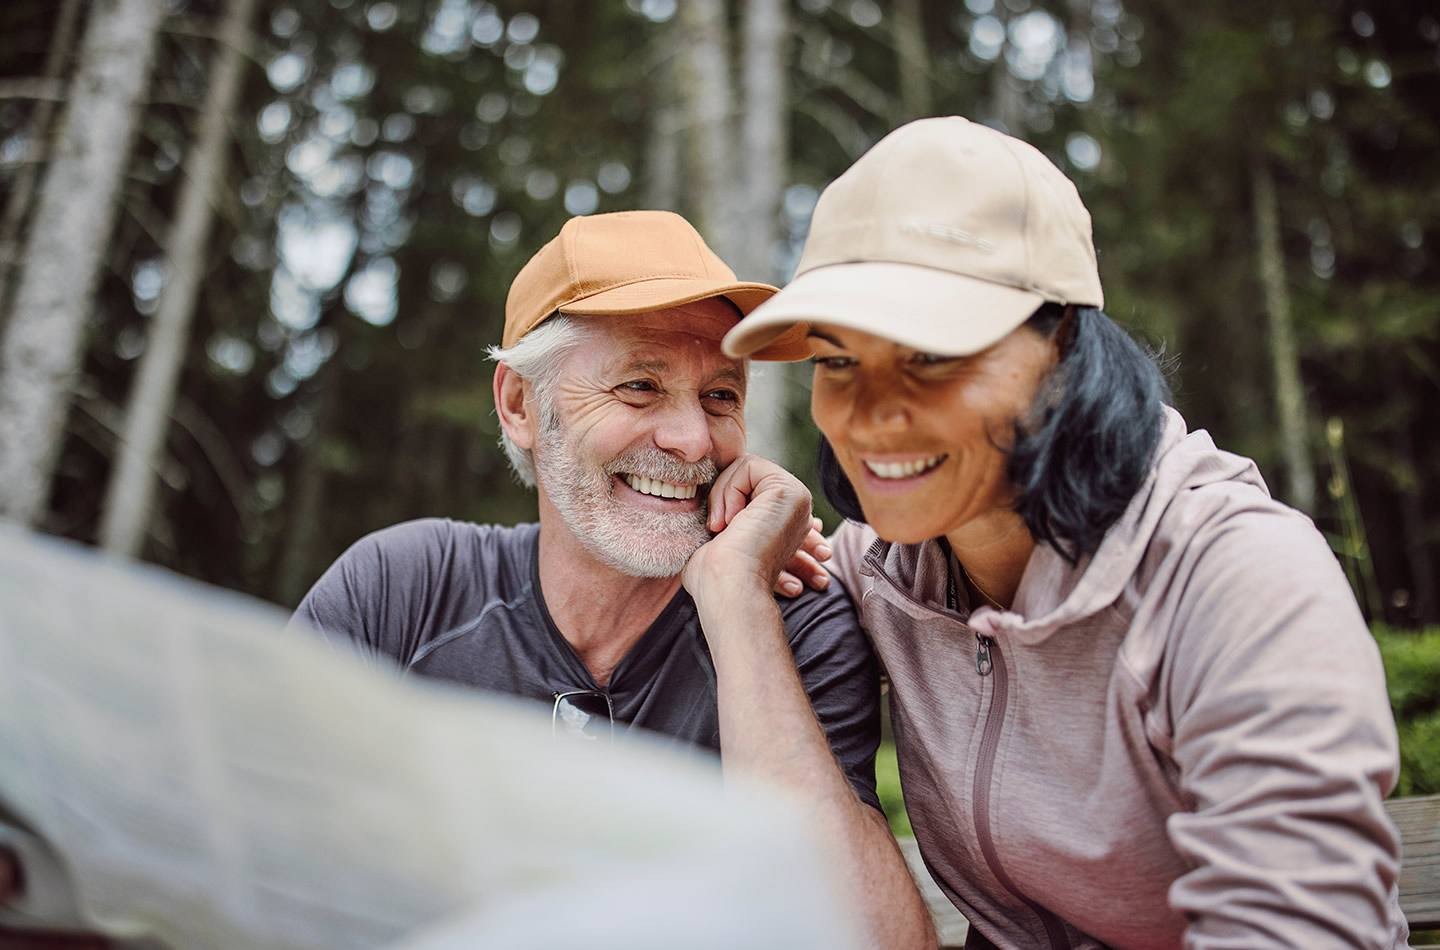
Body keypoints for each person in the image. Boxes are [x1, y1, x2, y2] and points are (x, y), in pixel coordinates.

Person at [715, 116, 1408, 948]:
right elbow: (788, 870)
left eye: (931, 354)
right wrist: (735, 587)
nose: (869, 417)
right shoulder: (877, 574)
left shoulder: (1236, 578)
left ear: (1067, 343)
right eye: (835, 360)